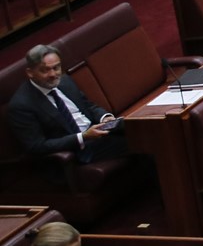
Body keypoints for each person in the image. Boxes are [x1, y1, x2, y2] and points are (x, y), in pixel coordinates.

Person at [8, 44, 128, 172]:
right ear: (30, 72)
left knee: (141, 127)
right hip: (78, 151)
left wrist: (105, 117)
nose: (53, 74)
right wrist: (83, 136)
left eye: (56, 67)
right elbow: (37, 146)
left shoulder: (64, 81)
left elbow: (87, 105)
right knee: (141, 141)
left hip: (98, 133)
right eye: (45, 70)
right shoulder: (21, 105)